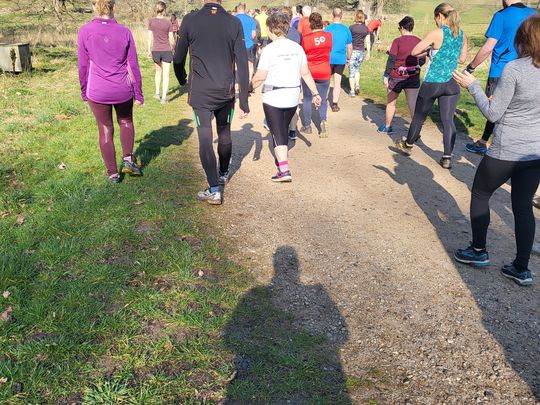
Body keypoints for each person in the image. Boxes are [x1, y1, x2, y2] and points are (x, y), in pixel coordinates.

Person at [452, 14, 540, 286]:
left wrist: (473, 87)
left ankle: (478, 251)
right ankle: (521, 268)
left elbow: (493, 113)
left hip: (506, 149)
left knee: (480, 193)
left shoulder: (515, 69)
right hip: (535, 152)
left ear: (522, 39)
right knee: (523, 206)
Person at [174, 0, 250, 205]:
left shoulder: (190, 20)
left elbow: (178, 58)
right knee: (224, 132)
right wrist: (243, 98)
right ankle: (223, 173)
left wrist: (181, 78)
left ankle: (215, 188)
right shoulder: (234, 23)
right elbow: (242, 62)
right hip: (225, 92)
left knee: (205, 138)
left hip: (200, 93)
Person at [394, 3, 467, 169]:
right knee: (448, 121)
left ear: (440, 16)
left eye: (436, 18)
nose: (435, 22)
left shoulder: (437, 33)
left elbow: (414, 51)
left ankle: (408, 145)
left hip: (433, 81)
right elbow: (462, 59)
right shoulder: (461, 34)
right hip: (451, 82)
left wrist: (429, 49)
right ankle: (447, 157)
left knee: (419, 116)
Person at [77, 0, 143, 184]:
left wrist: (84, 91)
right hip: (122, 88)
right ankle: (128, 160)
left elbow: (82, 66)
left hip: (97, 91)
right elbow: (133, 65)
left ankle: (113, 174)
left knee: (105, 128)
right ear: (113, 7)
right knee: (126, 121)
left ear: (94, 6)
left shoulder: (85, 31)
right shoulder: (125, 31)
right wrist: (138, 92)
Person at [251, 12, 321, 182]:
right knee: (282, 127)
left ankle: (284, 170)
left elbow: (260, 76)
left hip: (274, 96)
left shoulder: (269, 49)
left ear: (271, 29)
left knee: (277, 131)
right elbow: (305, 72)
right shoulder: (297, 48)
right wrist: (315, 93)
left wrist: (247, 90)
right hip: (292, 95)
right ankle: (280, 157)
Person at [465, 0, 536, 155]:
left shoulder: (501, 16)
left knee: (495, 110)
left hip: (500, 71)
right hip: (529, 70)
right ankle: (514, 148)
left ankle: (491, 148)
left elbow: (488, 47)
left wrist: (470, 67)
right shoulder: (534, 14)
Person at [378, 16, 424, 135]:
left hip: (396, 76)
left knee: (391, 102)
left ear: (403, 28)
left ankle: (388, 126)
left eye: (399, 28)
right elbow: (423, 59)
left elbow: (391, 59)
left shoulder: (397, 41)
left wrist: (386, 75)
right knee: (412, 103)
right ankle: (415, 131)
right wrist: (417, 65)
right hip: (413, 76)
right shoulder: (419, 41)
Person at [301, 12, 332, 137]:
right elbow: (329, 49)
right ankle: (323, 121)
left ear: (311, 24)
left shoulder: (306, 38)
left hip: (310, 71)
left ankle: (307, 126)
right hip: (324, 70)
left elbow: (302, 54)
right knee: (323, 99)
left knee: (307, 99)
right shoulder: (328, 36)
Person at [325, 8, 352, 112]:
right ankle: (335, 103)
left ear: (332, 15)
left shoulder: (327, 29)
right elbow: (349, 47)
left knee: (326, 80)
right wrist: (348, 58)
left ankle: (323, 100)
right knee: (337, 82)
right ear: (341, 15)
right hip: (340, 58)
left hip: (329, 57)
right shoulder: (346, 29)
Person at [148, 1, 174, 104]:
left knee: (158, 72)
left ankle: (157, 93)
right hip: (166, 50)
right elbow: (171, 38)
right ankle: (164, 98)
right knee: (166, 74)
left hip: (156, 50)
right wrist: (173, 48)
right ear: (164, 10)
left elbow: (149, 37)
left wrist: (149, 50)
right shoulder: (168, 22)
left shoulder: (151, 21)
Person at [348, 9, 370, 97]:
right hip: (361, 51)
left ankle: (352, 91)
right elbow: (367, 41)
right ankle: (357, 85)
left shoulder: (351, 28)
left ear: (356, 17)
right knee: (357, 69)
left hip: (353, 51)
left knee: (351, 72)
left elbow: (348, 41)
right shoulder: (366, 29)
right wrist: (368, 52)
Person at [235, 3, 257, 81]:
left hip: (237, 45)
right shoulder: (250, 19)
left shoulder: (234, 18)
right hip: (248, 44)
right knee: (250, 63)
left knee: (238, 64)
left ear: (238, 9)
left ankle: (239, 81)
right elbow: (253, 34)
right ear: (244, 9)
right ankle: (250, 80)